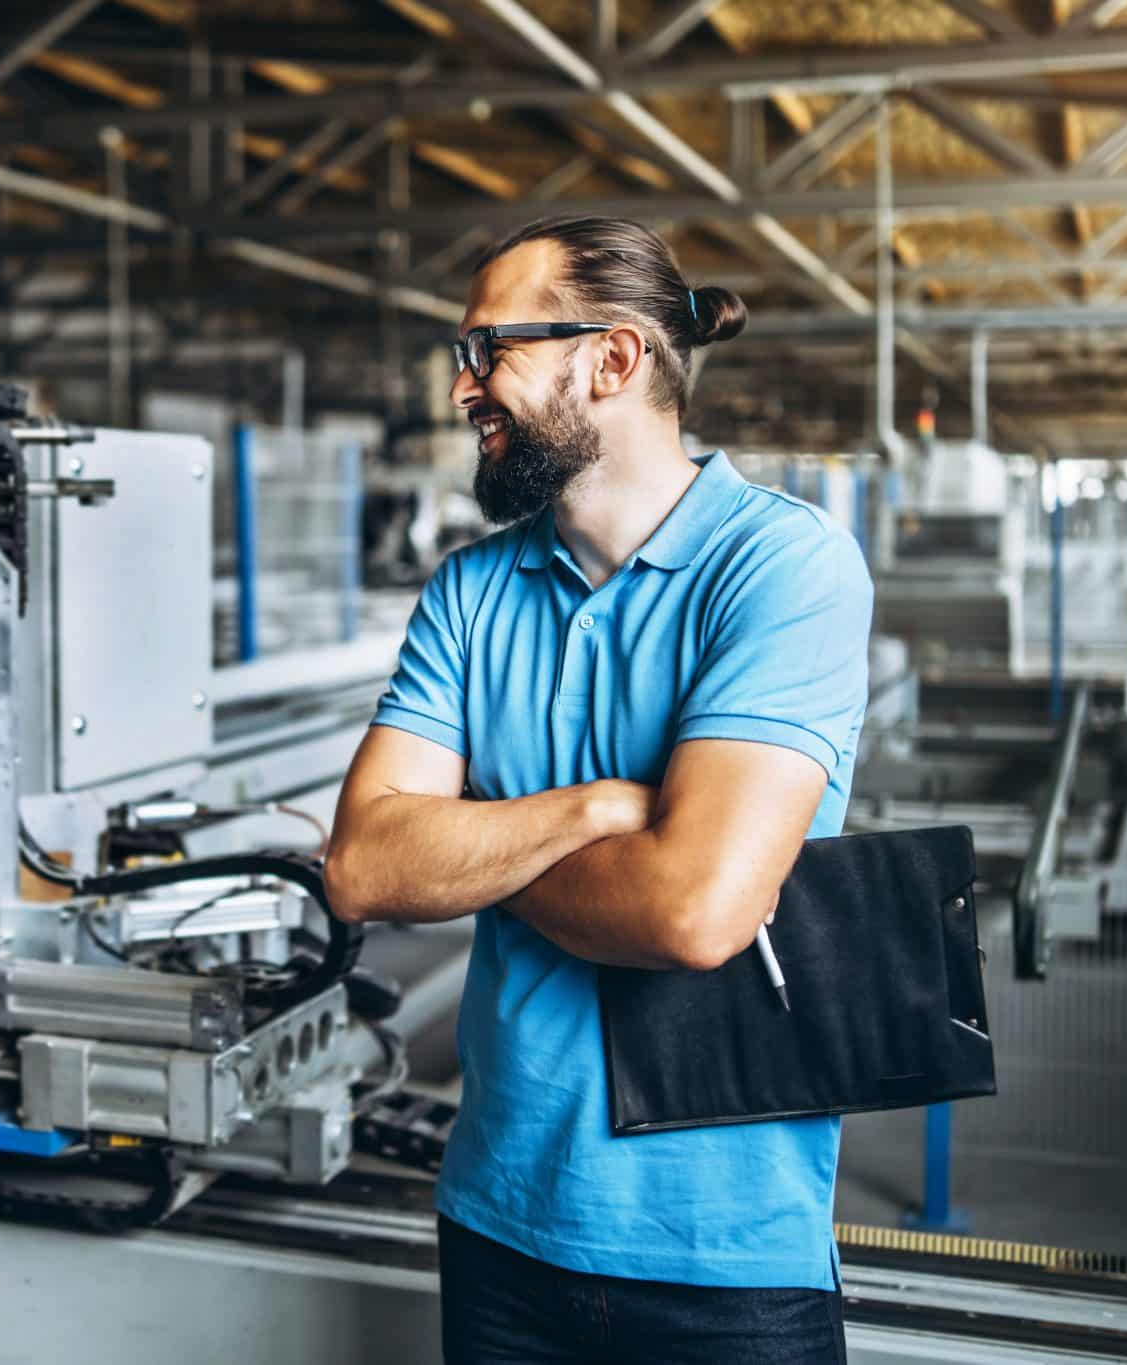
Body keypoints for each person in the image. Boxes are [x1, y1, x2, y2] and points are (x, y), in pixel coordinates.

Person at [325, 216, 873, 1363]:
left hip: (722, 1258)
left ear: (611, 359)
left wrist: (476, 852)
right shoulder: (471, 590)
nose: (460, 387)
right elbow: (365, 869)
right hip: (498, 1220)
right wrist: (595, 811)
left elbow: (691, 912)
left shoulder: (781, 567)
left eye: (488, 352)